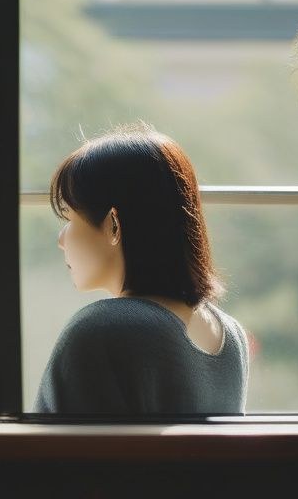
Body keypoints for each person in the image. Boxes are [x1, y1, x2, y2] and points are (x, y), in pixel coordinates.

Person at [33, 122, 249, 415]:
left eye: (70, 218)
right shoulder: (231, 337)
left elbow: (50, 457)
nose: (61, 239)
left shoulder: (101, 331)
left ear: (113, 225)